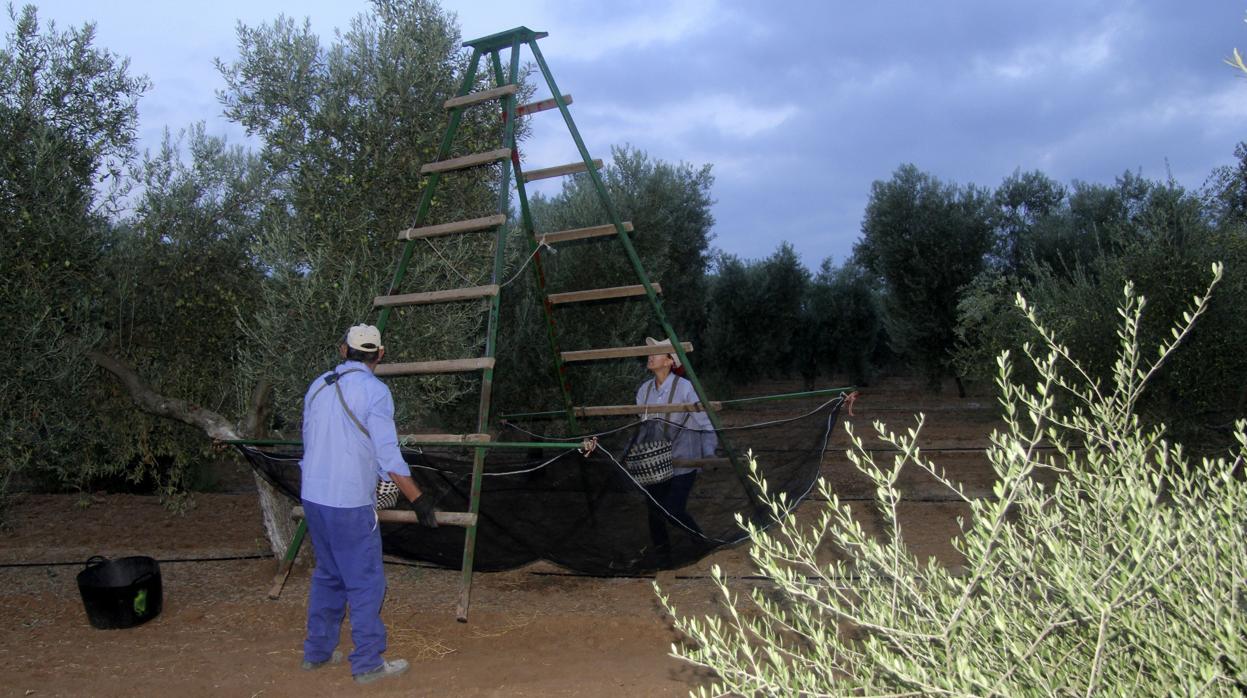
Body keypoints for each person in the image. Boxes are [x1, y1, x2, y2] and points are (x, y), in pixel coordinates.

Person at [298, 324, 438, 685]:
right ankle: (368, 664)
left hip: (313, 494)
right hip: (348, 500)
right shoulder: (375, 391)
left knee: (328, 575)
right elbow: (388, 454)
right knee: (365, 581)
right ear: (380, 354)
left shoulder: (317, 386)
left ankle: (318, 652)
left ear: (343, 349)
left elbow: (311, 439)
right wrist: (418, 498)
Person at [633, 336, 717, 565]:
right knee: (654, 511)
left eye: (657, 352)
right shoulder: (644, 391)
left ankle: (701, 543)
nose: (650, 356)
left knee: (673, 508)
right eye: (650, 352)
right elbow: (644, 427)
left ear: (670, 361)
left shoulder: (686, 388)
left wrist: (708, 452)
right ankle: (663, 557)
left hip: (683, 460)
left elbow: (704, 421)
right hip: (655, 463)